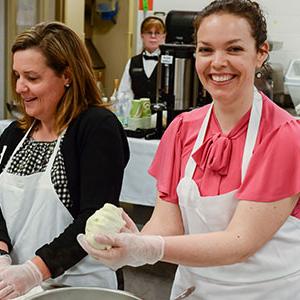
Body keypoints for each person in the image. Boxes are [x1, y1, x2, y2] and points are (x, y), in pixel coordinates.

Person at [78, 0, 300, 299]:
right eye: (206, 49)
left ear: (260, 54)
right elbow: (168, 223)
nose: (217, 62)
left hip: (265, 292)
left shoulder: (282, 136)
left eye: (234, 49)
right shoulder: (183, 129)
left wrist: (150, 248)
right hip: (195, 290)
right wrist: (135, 243)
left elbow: (241, 241)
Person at [0, 21, 129, 298]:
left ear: (67, 75)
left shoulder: (96, 128)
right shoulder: (14, 134)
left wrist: (35, 270)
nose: (21, 87)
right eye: (17, 76)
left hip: (79, 285)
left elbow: (94, 217)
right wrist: (1, 255)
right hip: (16, 283)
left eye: (32, 78)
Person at [118, 16, 166, 104]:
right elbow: (124, 93)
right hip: (136, 116)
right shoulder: (132, 62)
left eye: (157, 33)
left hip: (161, 116)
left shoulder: (168, 64)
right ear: (142, 35)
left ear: (163, 36)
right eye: (149, 32)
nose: (153, 36)